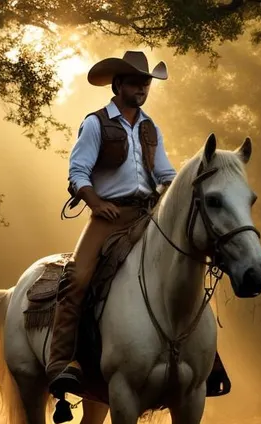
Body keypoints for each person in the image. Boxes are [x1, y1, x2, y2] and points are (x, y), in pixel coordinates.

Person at [46, 51, 177, 399]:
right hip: (109, 216)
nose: (142, 88)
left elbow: (164, 173)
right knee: (76, 278)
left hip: (149, 214)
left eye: (146, 83)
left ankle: (203, 362)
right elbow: (77, 173)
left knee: (184, 268)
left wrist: (179, 190)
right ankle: (62, 364)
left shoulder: (150, 128)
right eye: (136, 82)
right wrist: (96, 202)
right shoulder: (95, 123)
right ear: (118, 84)